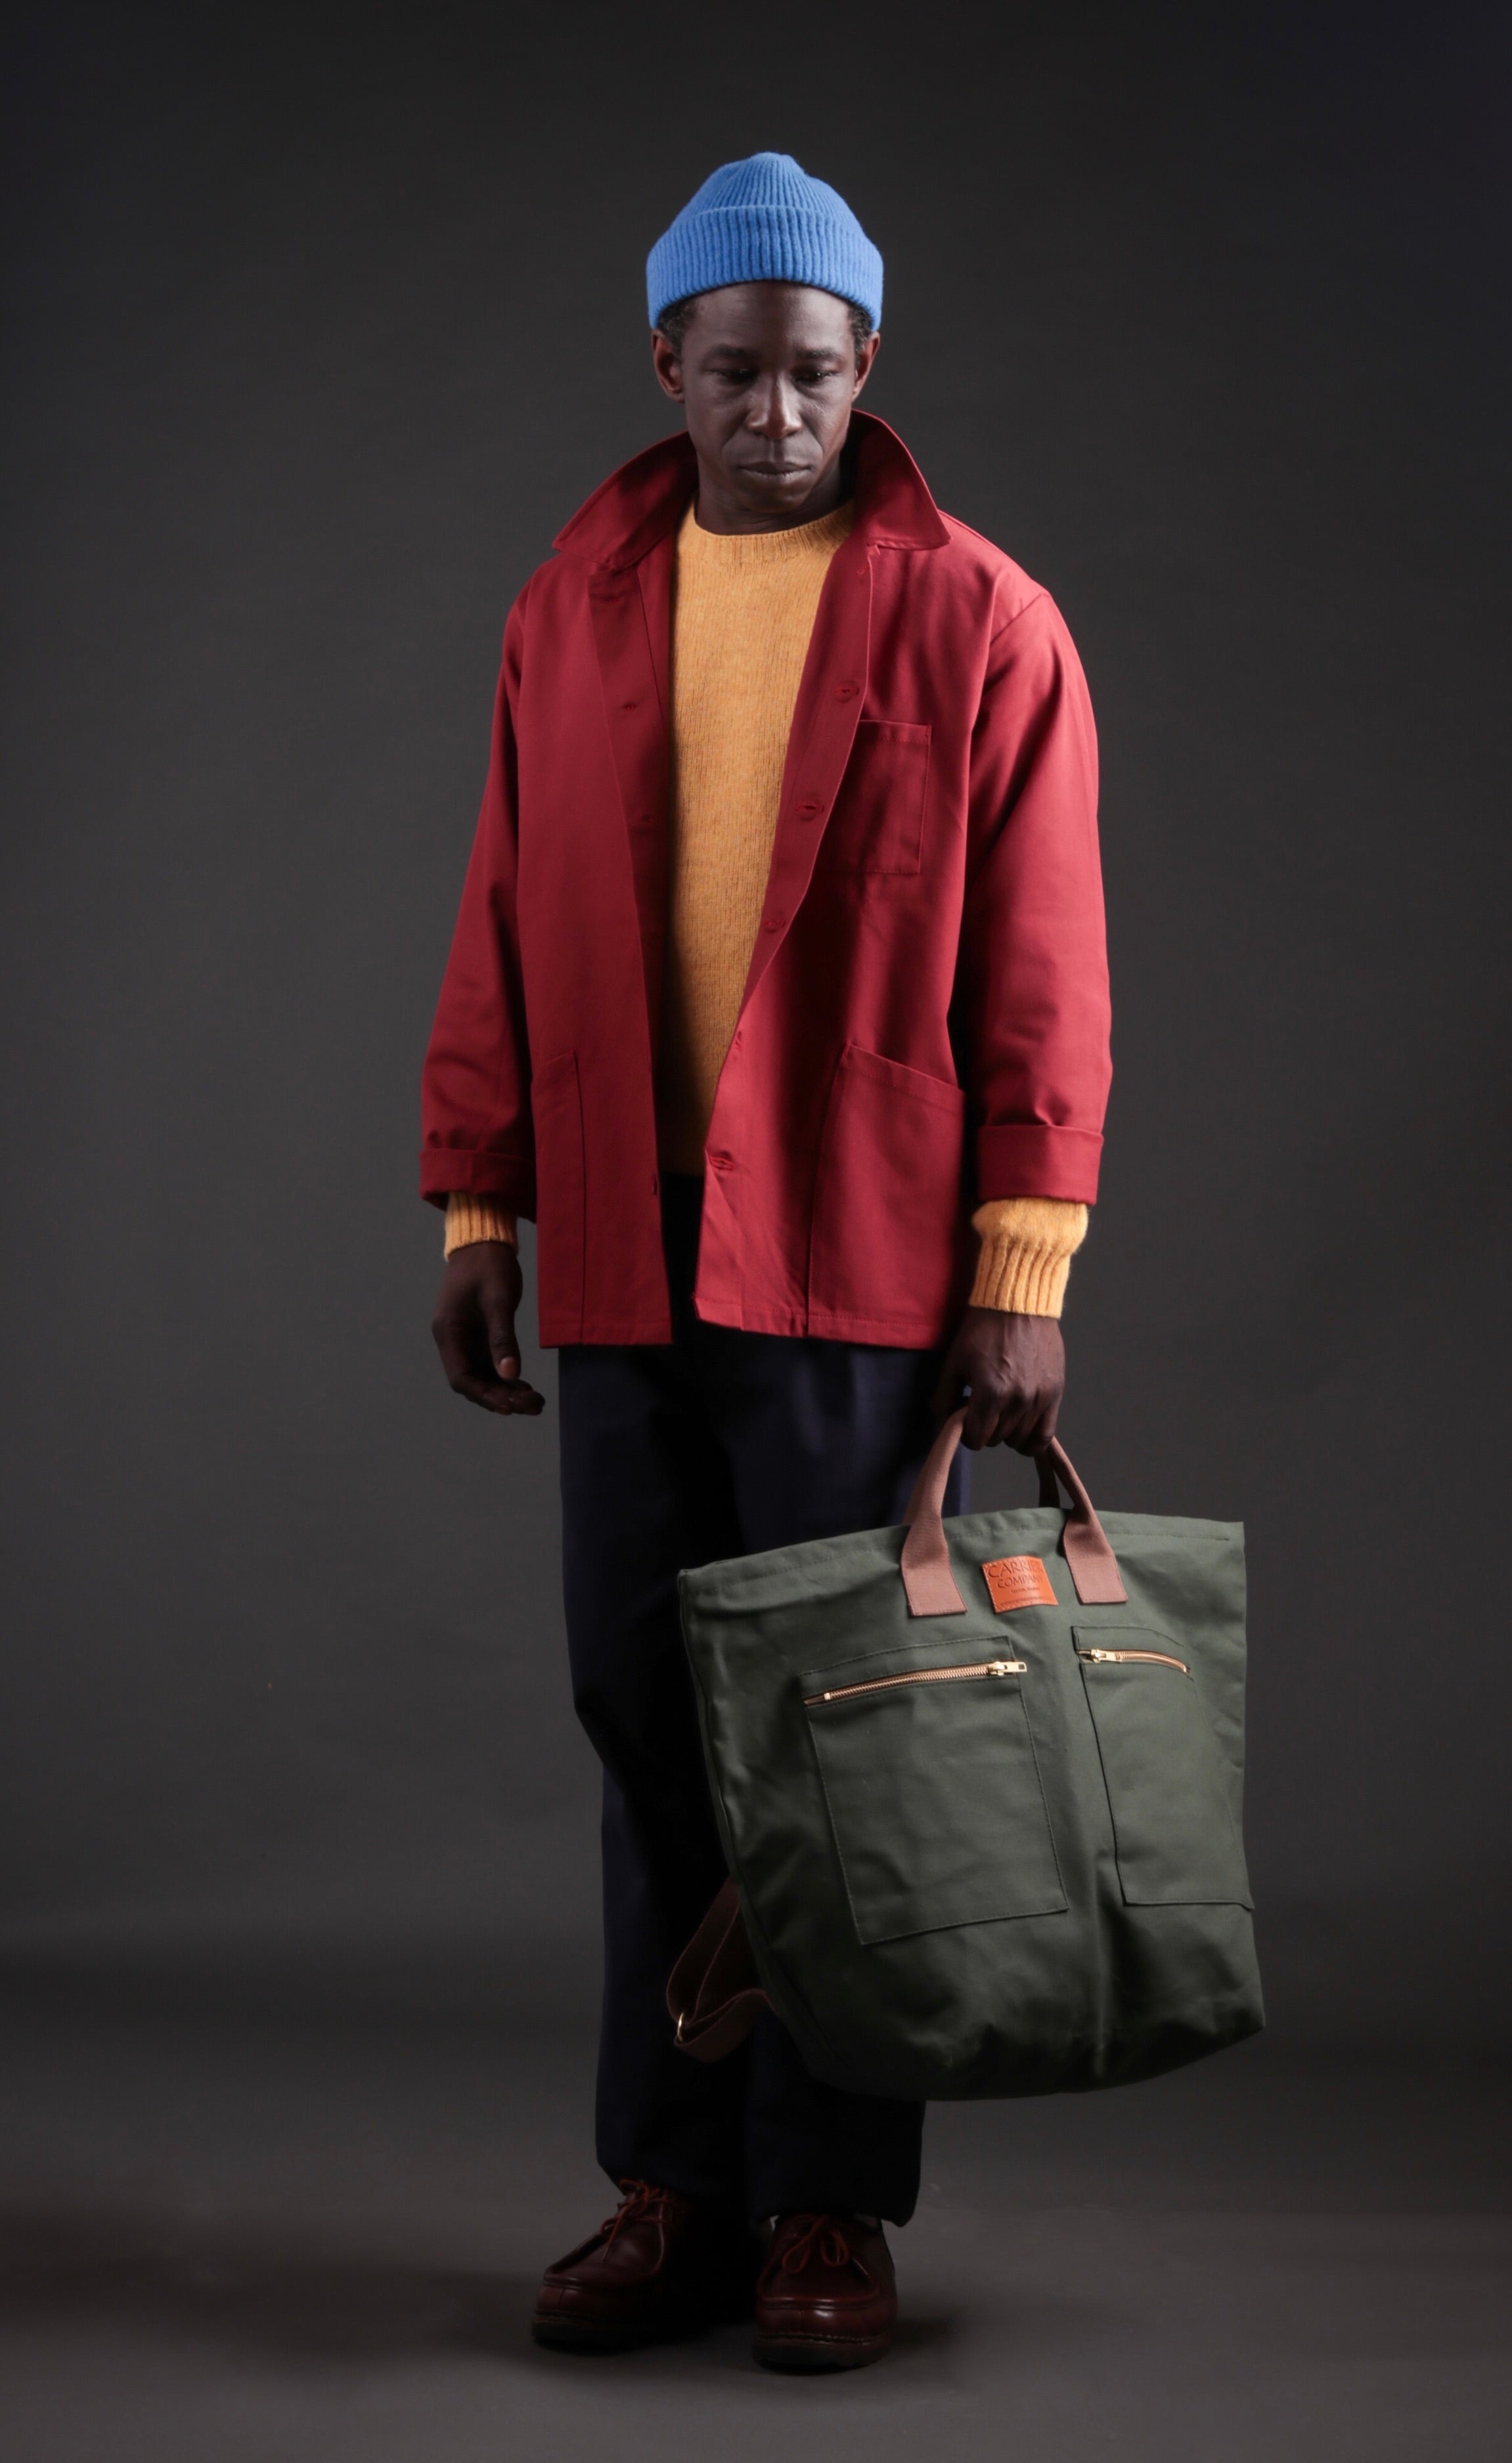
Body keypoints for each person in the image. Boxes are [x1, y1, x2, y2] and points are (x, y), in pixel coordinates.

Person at [422, 152, 1111, 2373]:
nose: (778, 413)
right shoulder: (573, 606)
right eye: (736, 372)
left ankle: (827, 2202)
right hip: (625, 1252)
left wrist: (1026, 1254)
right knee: (648, 1731)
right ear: (668, 366)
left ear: (866, 367)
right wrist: (476, 1200)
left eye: (815, 373)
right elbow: (503, 913)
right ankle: (670, 2182)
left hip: (860, 1258)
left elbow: (1040, 959)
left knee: (843, 1746)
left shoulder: (975, 616)